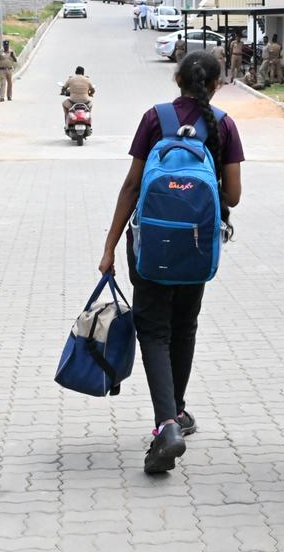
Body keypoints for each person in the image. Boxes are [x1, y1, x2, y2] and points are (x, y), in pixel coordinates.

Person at [98, 50, 245, 473]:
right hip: (196, 248)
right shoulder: (224, 125)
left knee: (154, 331)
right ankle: (176, 412)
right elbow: (234, 197)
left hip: (149, 247)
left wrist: (109, 247)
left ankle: (167, 424)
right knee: (184, 326)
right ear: (216, 84)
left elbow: (132, 186)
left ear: (177, 79)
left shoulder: (154, 118)